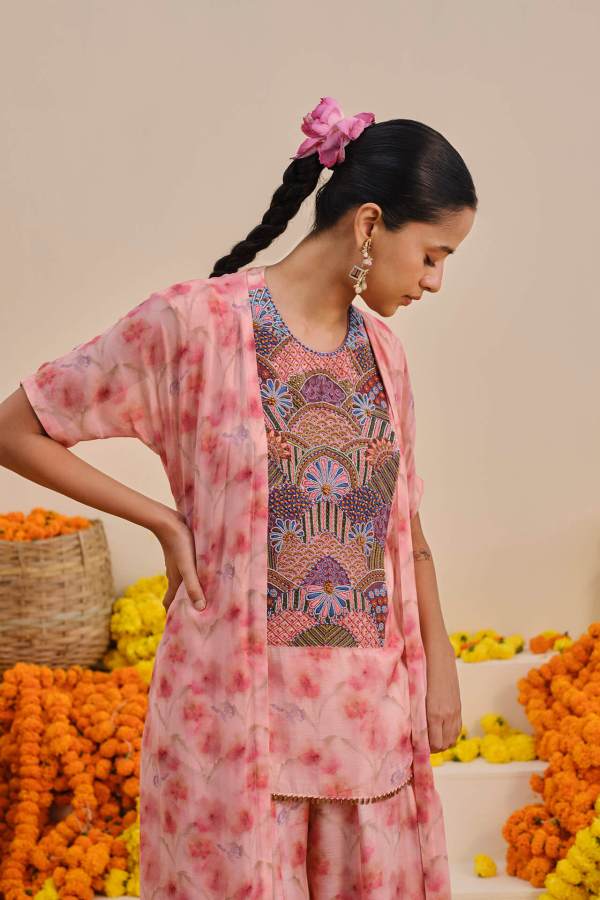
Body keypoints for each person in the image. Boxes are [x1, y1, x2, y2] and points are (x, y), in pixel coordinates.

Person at [0, 96, 476, 898]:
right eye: (432, 254)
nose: (435, 280)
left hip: (367, 723)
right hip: (231, 721)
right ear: (369, 225)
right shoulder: (197, 324)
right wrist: (162, 520)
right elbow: (18, 428)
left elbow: (405, 527)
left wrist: (442, 662)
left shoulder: (386, 356)